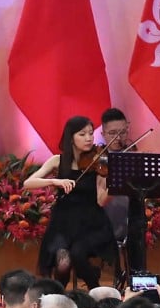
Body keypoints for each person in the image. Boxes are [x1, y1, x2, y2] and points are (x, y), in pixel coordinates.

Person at [24, 115, 114, 289]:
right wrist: (54, 181)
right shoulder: (57, 161)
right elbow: (28, 183)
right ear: (71, 137)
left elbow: (102, 201)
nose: (89, 138)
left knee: (78, 254)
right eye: (82, 134)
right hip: (63, 223)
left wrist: (114, 183)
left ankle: (95, 290)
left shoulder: (98, 162)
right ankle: (58, 294)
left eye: (91, 133)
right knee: (63, 261)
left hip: (91, 223)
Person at [101, 107, 148, 271]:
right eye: (112, 133)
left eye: (122, 132)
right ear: (103, 134)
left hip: (129, 218)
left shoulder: (134, 157)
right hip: (102, 217)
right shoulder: (96, 159)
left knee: (138, 224)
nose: (118, 138)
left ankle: (136, 274)